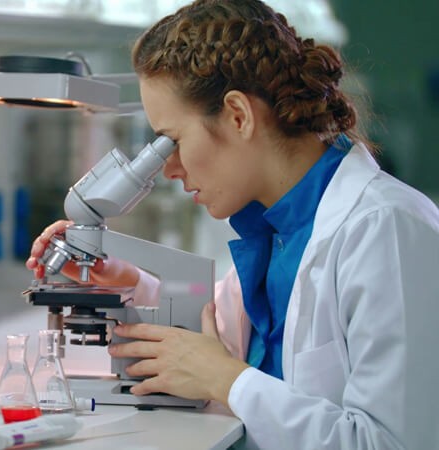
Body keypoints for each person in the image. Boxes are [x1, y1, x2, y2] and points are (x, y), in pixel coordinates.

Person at [25, 1, 439, 448]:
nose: (169, 169)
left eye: (172, 141)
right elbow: (219, 341)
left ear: (238, 115)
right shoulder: (274, 231)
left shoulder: (387, 230)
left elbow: (392, 442)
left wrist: (228, 381)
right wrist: (131, 287)